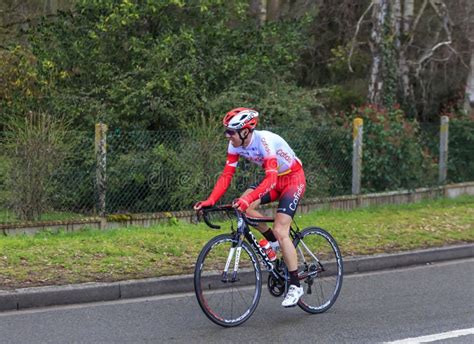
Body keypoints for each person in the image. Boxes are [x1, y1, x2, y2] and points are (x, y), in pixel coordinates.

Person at [194, 107, 306, 307]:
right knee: (242, 205)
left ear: (245, 131)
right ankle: (272, 244)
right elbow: (226, 176)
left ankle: (296, 285)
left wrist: (249, 198)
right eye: (226, 131)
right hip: (274, 179)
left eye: (231, 132)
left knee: (281, 230)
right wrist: (210, 200)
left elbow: (271, 179)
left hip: (292, 179)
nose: (227, 136)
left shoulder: (264, 142)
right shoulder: (234, 145)